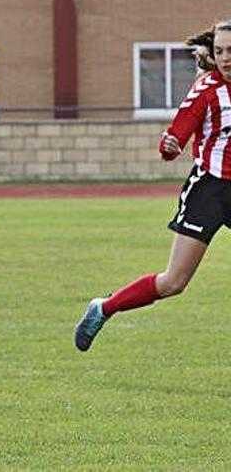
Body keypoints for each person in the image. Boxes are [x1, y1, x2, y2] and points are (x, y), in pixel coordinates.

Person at [75, 19, 231, 352]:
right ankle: (104, 308)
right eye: (219, 51)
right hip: (209, 190)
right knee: (174, 282)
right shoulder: (207, 89)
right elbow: (178, 133)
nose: (225, 58)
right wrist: (169, 145)